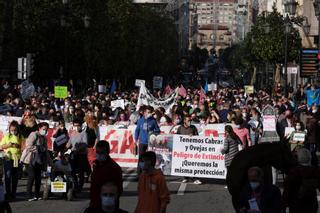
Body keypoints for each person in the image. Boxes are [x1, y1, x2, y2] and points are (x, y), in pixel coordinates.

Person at [20, 122, 51, 201]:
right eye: (43, 129)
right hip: (29, 159)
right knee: (32, 176)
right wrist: (39, 148)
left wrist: (51, 163)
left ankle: (36, 195)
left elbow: (46, 151)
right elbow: (28, 145)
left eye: (46, 130)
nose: (45, 131)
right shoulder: (34, 134)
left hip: (38, 160)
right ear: (39, 128)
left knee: (38, 178)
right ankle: (28, 195)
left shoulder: (44, 138)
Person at [283, 148, 320, 213]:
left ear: (298, 158)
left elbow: (287, 189)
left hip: (296, 204)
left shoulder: (294, 172)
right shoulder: (316, 171)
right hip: (311, 203)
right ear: (310, 157)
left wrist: (284, 204)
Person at [90, 140, 123, 210]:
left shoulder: (114, 168)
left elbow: (119, 189)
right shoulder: (96, 165)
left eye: (102, 153)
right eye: (98, 152)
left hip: (108, 205)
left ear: (108, 152)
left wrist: (110, 202)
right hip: (94, 203)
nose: (99, 155)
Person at [0, 120, 23, 200]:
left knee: (15, 177)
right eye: (12, 130)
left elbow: (23, 147)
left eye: (15, 130)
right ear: (9, 130)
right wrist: (8, 145)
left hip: (17, 158)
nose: (13, 131)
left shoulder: (20, 136)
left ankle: (13, 193)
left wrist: (18, 146)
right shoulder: (6, 136)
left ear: (17, 129)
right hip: (8, 158)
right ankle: (8, 193)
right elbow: (1, 146)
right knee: (8, 175)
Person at [176, 115, 202, 184]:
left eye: (190, 121)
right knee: (185, 163)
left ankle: (196, 178)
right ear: (184, 121)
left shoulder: (193, 128)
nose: (190, 122)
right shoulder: (180, 128)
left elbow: (198, 138)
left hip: (192, 149)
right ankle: (186, 177)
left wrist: (193, 136)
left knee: (193, 164)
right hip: (183, 150)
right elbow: (177, 138)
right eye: (188, 121)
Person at [134, 106, 160, 174]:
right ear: (144, 112)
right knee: (141, 158)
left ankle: (149, 172)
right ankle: (139, 173)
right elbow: (137, 130)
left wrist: (153, 133)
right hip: (142, 142)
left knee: (150, 159)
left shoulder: (153, 121)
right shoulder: (140, 120)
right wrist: (136, 139)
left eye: (150, 112)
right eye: (147, 112)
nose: (149, 114)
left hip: (150, 143)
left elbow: (158, 131)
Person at [66, 118, 89, 193]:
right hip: (73, 155)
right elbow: (69, 143)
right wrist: (64, 146)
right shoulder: (72, 133)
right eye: (74, 125)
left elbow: (85, 144)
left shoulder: (84, 133)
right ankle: (75, 185)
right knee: (72, 171)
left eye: (78, 125)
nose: (76, 127)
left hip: (81, 155)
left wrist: (78, 149)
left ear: (81, 126)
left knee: (80, 172)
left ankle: (80, 186)